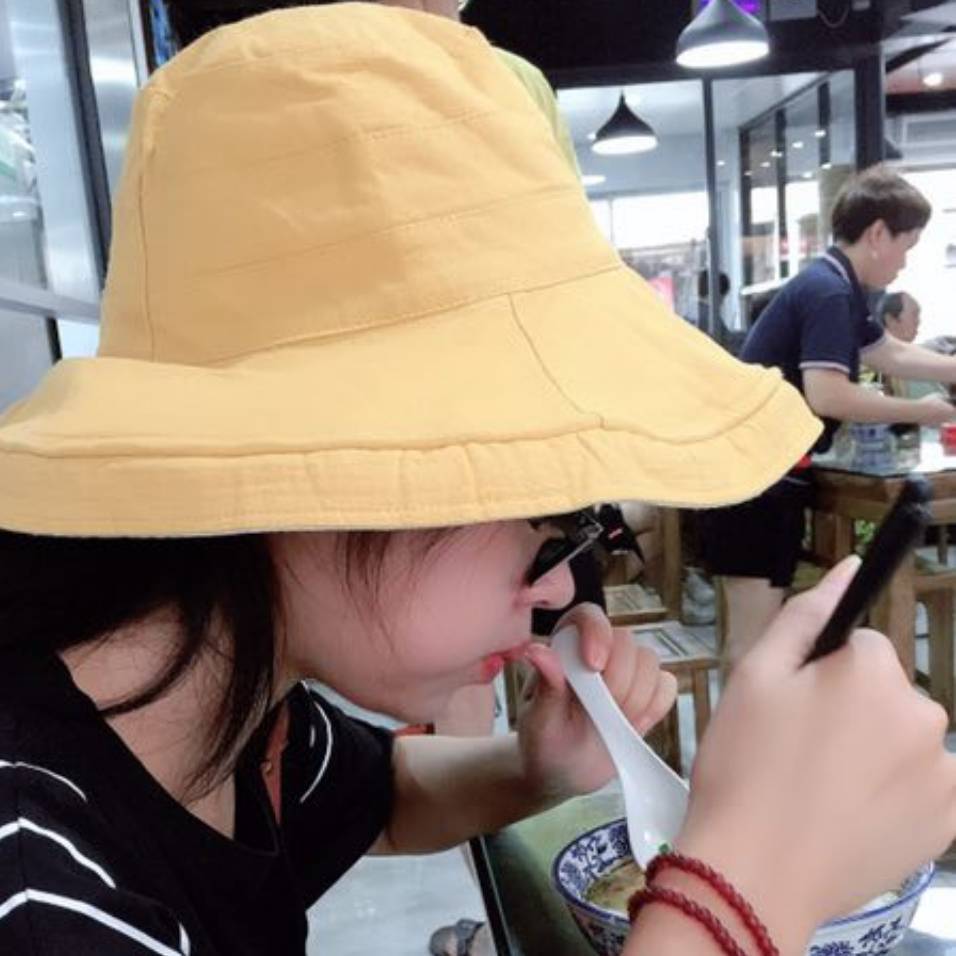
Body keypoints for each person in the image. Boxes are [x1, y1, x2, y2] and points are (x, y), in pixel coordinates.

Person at [0, 10, 954, 956]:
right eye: (544, 515)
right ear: (316, 474)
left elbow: (381, 801)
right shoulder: (36, 887)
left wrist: (537, 768)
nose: (556, 584)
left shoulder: (231, 702)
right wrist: (748, 886)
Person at [702, 165, 956, 668]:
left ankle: (755, 720)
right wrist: (922, 410)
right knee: (753, 643)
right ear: (877, 234)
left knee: (758, 638)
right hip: (753, 477)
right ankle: (747, 724)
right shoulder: (829, 293)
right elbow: (828, 395)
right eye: (906, 245)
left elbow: (888, 352)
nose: (905, 262)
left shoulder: (836, 284)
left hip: (763, 472)